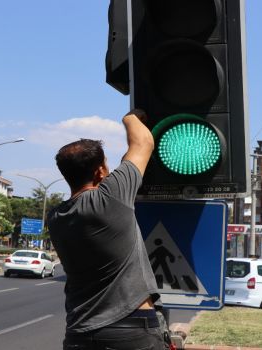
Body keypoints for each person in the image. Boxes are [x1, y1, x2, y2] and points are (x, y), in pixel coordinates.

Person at [47, 109, 165, 349]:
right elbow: (143, 142)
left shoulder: (56, 216)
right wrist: (131, 117)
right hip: (130, 328)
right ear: (101, 171)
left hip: (79, 333)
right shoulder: (109, 198)